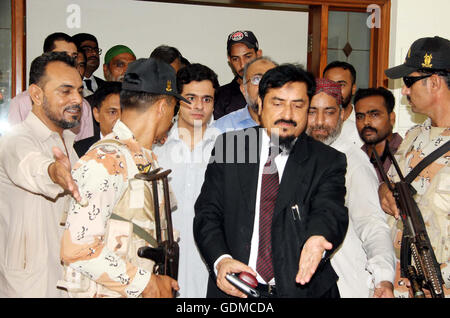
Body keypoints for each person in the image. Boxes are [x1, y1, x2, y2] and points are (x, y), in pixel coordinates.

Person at [194, 64, 348, 298]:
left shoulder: (326, 160)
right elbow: (207, 213)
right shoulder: (230, 147)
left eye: (298, 105)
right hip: (237, 289)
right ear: (260, 105)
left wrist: (318, 239)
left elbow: (330, 210)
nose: (287, 114)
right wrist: (221, 261)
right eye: (278, 103)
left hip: (302, 290)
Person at [60, 58, 185, 298]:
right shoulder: (106, 159)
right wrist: (145, 283)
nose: (173, 117)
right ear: (162, 107)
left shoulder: (140, 159)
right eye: (174, 109)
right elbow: (76, 248)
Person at [0, 52, 84, 297]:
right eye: (65, 91)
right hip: (29, 285)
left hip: (68, 280)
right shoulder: (15, 140)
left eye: (79, 90)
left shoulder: (70, 143)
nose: (77, 99)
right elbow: (31, 166)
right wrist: (53, 172)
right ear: (36, 95)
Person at [306, 78, 395, 298]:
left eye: (329, 112)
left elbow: (372, 224)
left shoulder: (352, 160)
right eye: (312, 111)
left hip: (344, 284)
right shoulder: (293, 155)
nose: (319, 121)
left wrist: (383, 276)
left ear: (343, 114)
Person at [379, 36, 450, 297]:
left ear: (434, 82)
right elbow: (390, 183)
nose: (405, 91)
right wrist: (383, 191)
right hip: (404, 283)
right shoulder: (413, 136)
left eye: (409, 81)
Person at [153, 63, 220, 298]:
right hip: (161, 262)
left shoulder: (227, 149)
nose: (199, 106)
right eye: (190, 98)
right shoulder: (154, 147)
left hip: (211, 262)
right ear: (176, 99)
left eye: (207, 99)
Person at [7, 32, 94, 142]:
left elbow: (85, 149)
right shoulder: (21, 103)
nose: (70, 61)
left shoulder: (83, 105)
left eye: (74, 56)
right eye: (62, 55)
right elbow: (15, 146)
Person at [213, 56, 277, 133]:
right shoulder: (221, 129)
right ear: (244, 90)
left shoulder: (292, 126)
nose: (264, 85)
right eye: (257, 79)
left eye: (272, 80)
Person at [354, 87, 403, 182]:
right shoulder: (354, 157)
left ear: (391, 118)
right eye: (360, 116)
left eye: (374, 114)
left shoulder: (407, 154)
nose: (366, 122)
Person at [213, 30, 262, 120]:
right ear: (230, 60)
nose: (242, 64)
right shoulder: (220, 96)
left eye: (247, 56)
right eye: (236, 59)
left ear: (258, 55)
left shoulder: (275, 89)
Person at [73, 81, 122, 157]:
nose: (120, 119)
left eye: (125, 113)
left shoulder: (141, 148)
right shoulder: (80, 150)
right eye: (112, 112)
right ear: (97, 114)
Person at [323, 61, 363, 147]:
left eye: (341, 85)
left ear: (353, 88)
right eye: (330, 84)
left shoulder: (364, 123)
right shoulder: (314, 123)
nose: (335, 90)